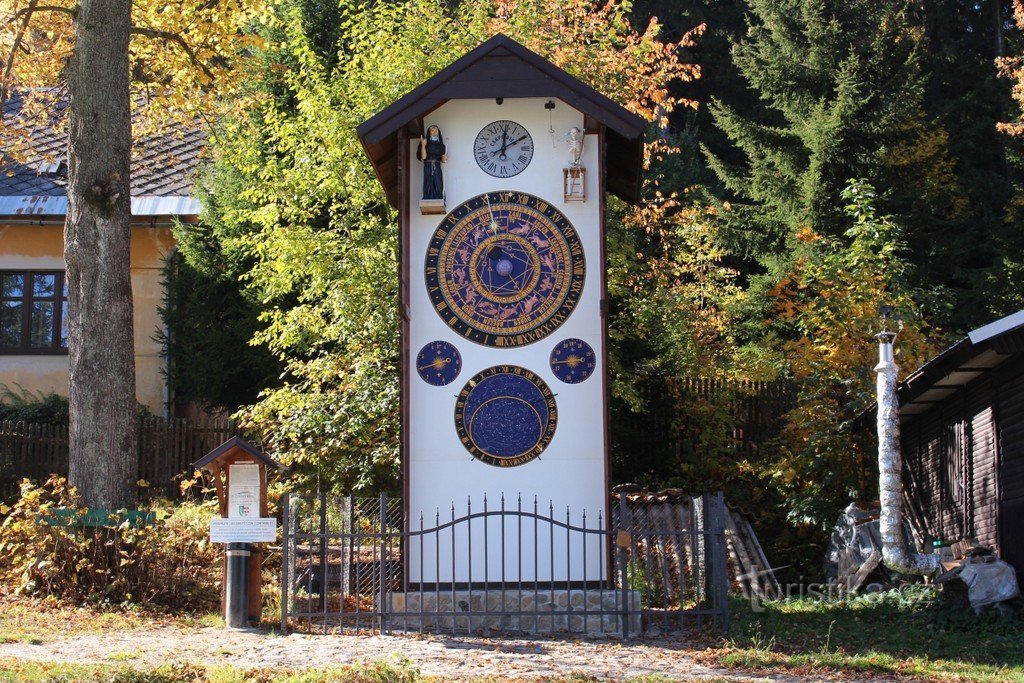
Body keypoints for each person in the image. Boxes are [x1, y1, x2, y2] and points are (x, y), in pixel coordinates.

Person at [418, 125, 447, 200]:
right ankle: (427, 197)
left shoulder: (441, 145)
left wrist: (444, 156)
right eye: (432, 130)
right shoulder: (426, 143)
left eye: (436, 130)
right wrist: (423, 145)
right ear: (429, 133)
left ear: (438, 132)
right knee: (428, 180)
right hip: (428, 164)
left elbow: (443, 160)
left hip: (437, 165)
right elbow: (424, 157)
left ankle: (438, 196)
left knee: (438, 180)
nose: (434, 132)